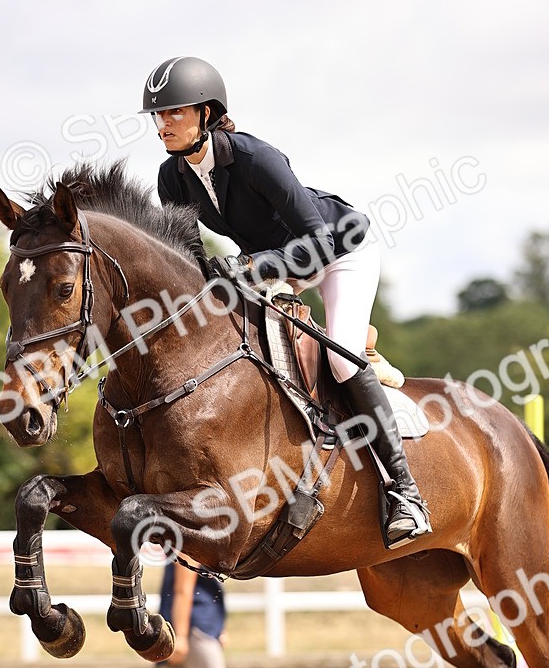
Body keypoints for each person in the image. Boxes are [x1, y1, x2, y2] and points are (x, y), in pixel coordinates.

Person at [139, 55, 432, 548]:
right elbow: (186, 254)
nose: (163, 124)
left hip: (338, 249)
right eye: (158, 116)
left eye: (175, 113)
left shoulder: (256, 159)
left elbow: (316, 243)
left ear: (207, 115)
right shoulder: (173, 177)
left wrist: (252, 268)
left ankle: (406, 493)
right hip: (272, 262)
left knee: (340, 359)